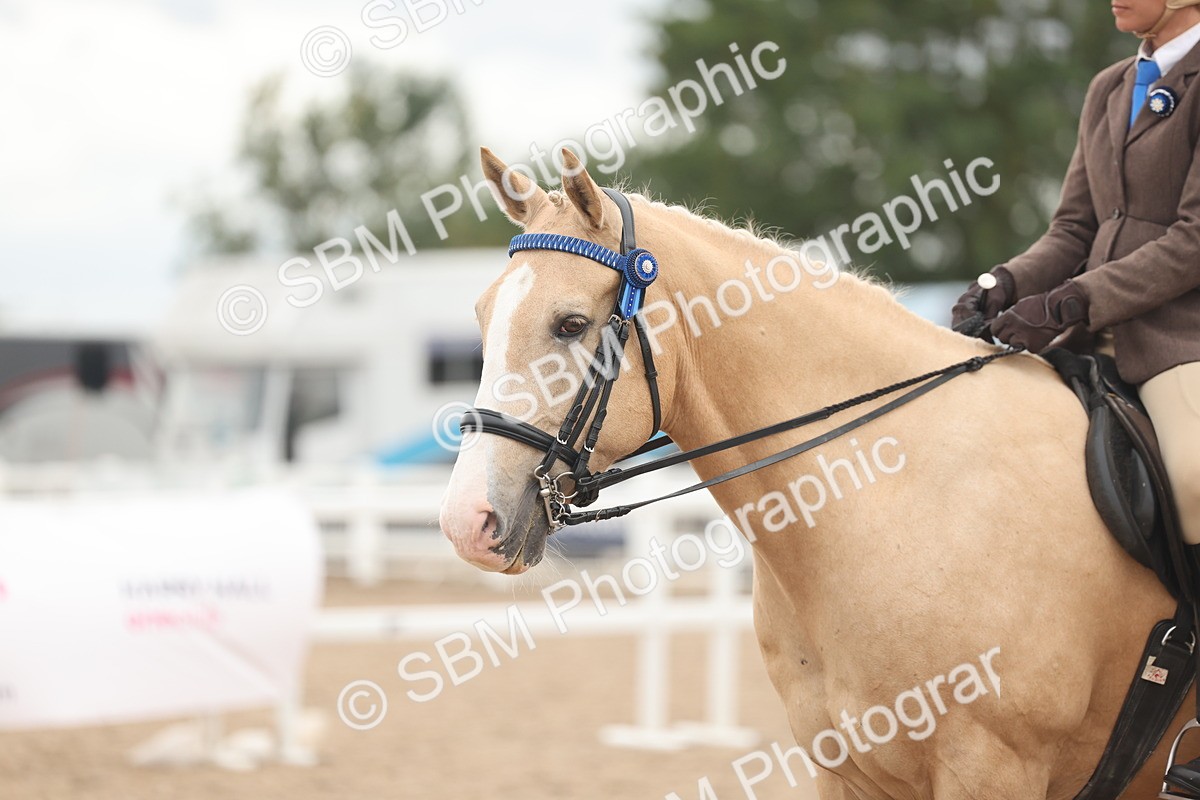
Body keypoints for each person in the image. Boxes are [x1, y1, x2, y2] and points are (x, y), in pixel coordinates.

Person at [951, 2, 1200, 792]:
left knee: (1196, 479)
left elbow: (1193, 242)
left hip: (1180, 340)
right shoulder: (1110, 85)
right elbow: (1074, 228)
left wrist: (1077, 302)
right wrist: (1006, 283)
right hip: (1088, 336)